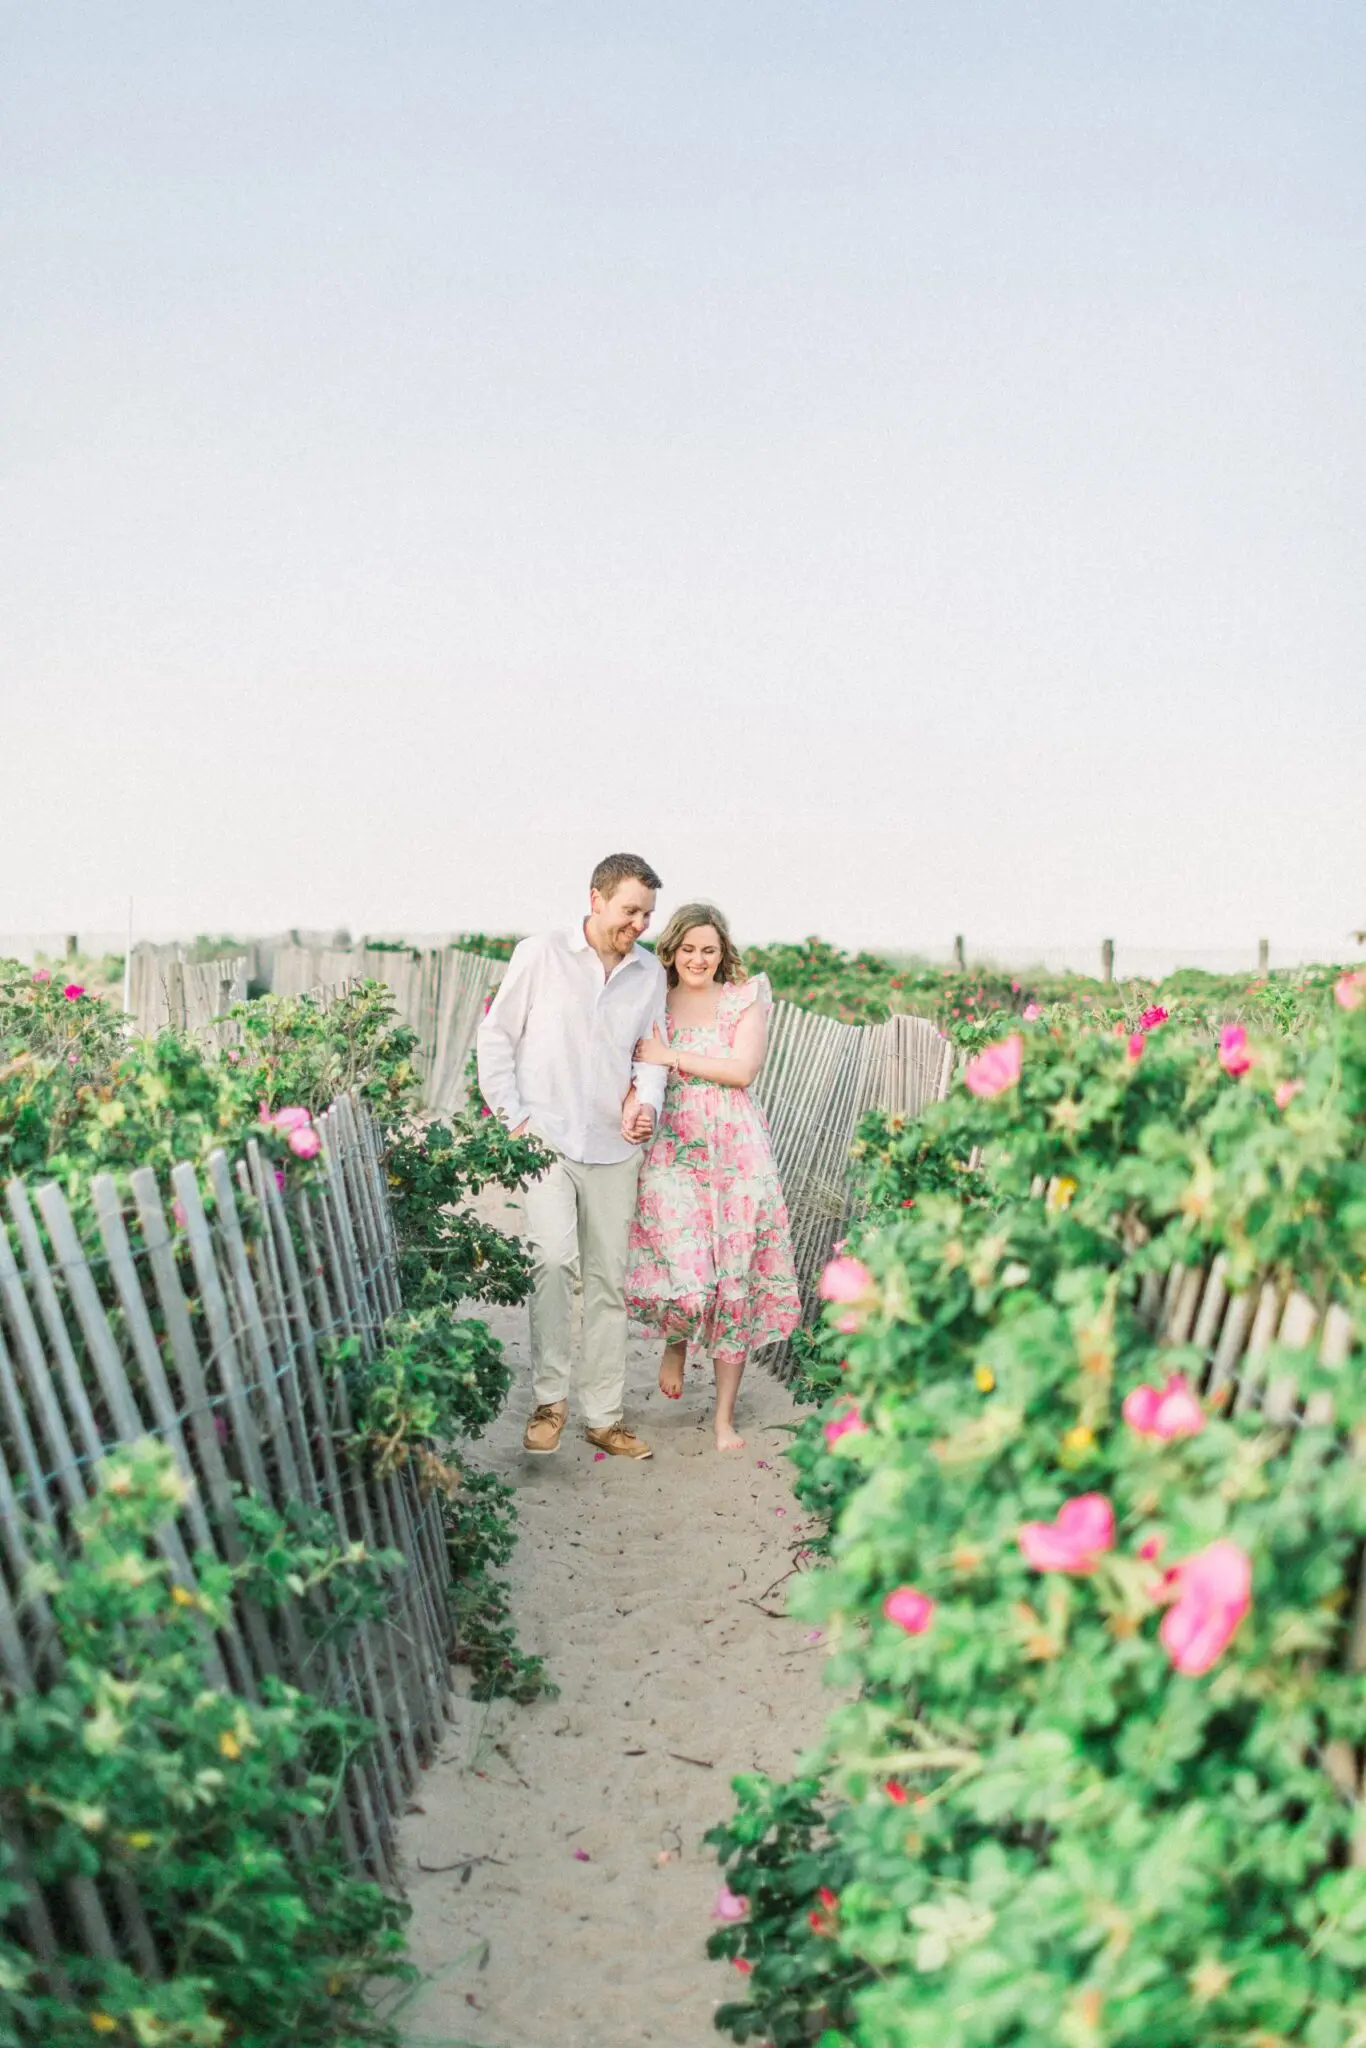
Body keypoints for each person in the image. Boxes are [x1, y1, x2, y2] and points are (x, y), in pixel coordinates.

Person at [477, 853, 667, 1460]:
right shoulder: (541, 953)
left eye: (647, 915)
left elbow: (651, 1054)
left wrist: (647, 1101)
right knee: (554, 1261)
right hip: (547, 1141)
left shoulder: (647, 974)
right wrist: (516, 1119)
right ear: (596, 898)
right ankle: (549, 1401)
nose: (639, 924)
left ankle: (604, 1416)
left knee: (609, 1281)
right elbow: (496, 1034)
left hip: (616, 1147)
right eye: (630, 910)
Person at [624, 903, 800, 1451]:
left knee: (735, 1281)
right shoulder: (654, 999)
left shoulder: (743, 1000)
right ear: (671, 950)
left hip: (736, 1151)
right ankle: (677, 1338)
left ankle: (723, 1419)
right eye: (688, 949)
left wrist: (669, 1053)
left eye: (709, 949)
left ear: (723, 953)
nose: (698, 959)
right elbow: (636, 1063)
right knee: (684, 1264)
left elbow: (742, 1071)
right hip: (675, 1146)